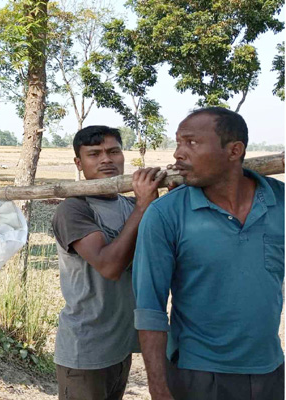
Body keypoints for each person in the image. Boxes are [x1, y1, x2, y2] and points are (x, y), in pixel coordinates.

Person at [133, 107, 284, 400]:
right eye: (177, 143)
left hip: (269, 371)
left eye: (191, 142)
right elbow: (150, 308)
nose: (178, 154)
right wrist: (159, 389)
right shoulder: (165, 214)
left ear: (234, 151)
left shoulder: (280, 201)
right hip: (198, 376)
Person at [51, 125, 165, 400]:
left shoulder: (128, 206)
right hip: (85, 350)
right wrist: (143, 207)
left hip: (120, 347)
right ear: (79, 163)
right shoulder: (74, 209)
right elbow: (109, 266)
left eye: (113, 151)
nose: (106, 159)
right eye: (94, 154)